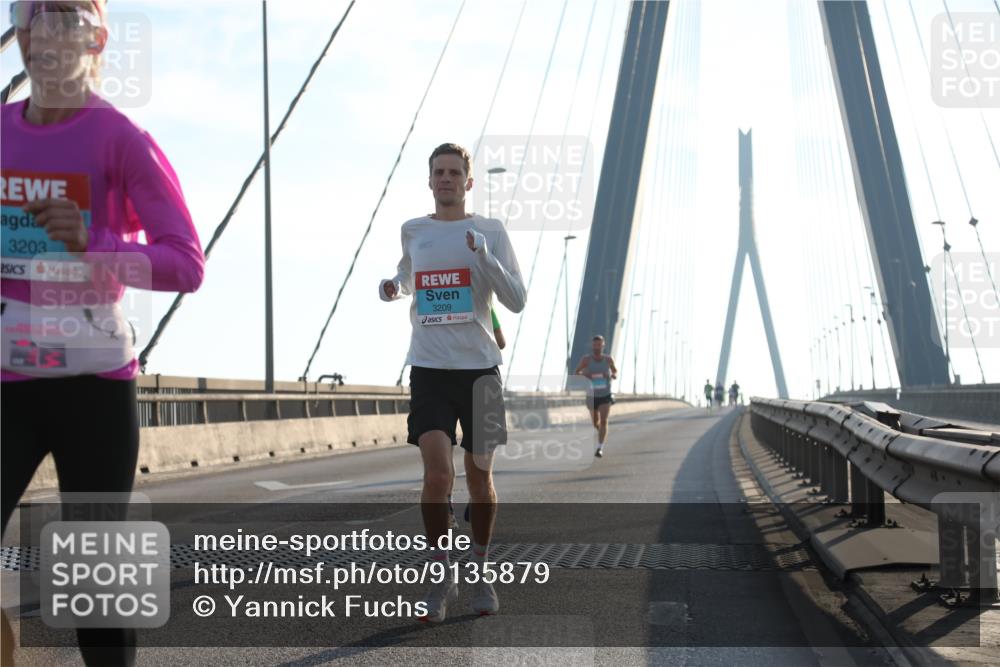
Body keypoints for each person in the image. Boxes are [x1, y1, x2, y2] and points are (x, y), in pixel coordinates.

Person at [1, 2, 205, 665]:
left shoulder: (120, 139)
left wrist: (94, 242)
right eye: (33, 20)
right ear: (20, 37)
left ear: (97, 42)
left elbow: (185, 263)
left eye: (66, 22)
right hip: (8, 381)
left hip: (93, 384)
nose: (47, 37)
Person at [379, 143, 526, 623]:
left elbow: (517, 299)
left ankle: (480, 571)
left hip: (481, 371)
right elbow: (407, 275)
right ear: (430, 181)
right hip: (429, 370)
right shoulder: (414, 231)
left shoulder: (489, 231)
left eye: (454, 172)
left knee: (480, 478)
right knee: (438, 474)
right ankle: (441, 578)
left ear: (468, 182)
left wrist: (484, 257)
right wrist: (393, 287)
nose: (445, 179)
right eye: (438, 172)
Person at [574, 335, 618, 458]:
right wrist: (585, 374)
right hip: (591, 396)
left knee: (604, 421)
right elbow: (576, 372)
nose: (596, 347)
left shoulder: (608, 359)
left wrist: (612, 375)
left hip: (605, 395)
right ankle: (601, 433)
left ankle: (600, 448)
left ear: (603, 346)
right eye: (595, 345)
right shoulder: (586, 360)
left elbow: (615, 371)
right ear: (592, 346)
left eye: (599, 345)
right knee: (595, 423)